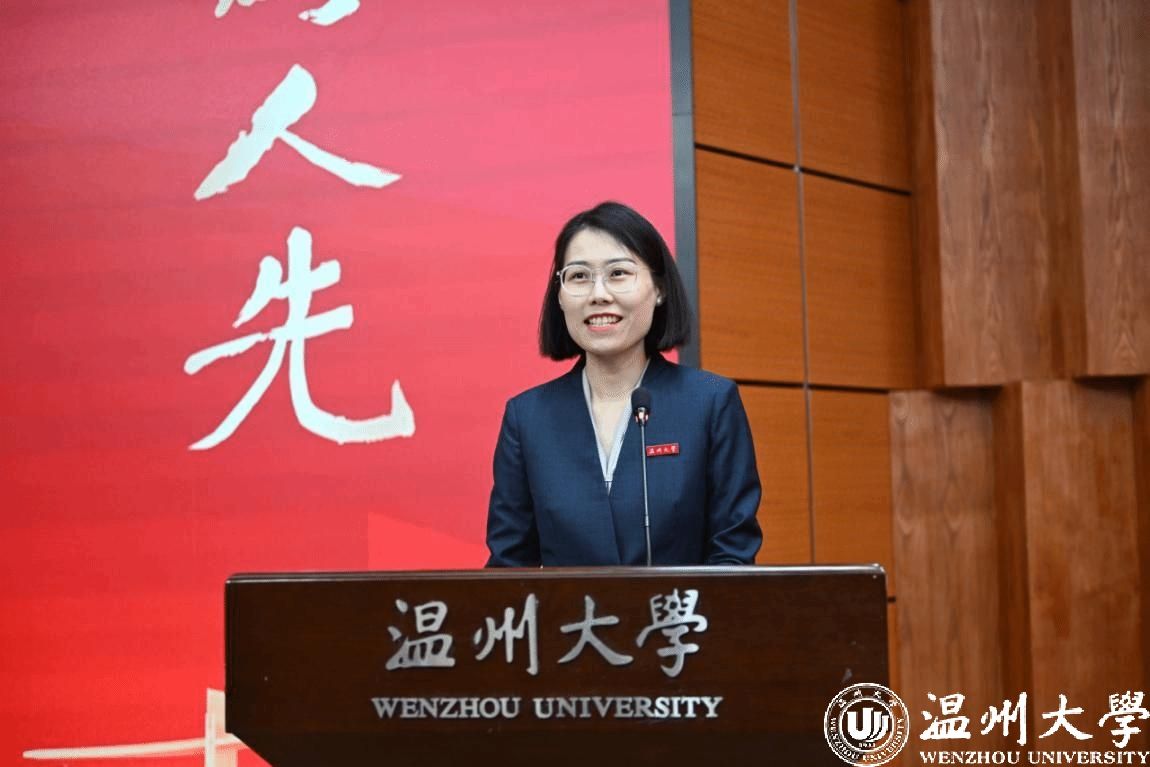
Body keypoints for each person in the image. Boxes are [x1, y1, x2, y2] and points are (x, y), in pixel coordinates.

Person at [485, 201, 762, 567]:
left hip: (682, 607)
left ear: (659, 289)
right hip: (571, 609)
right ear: (560, 296)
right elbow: (508, 569)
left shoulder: (710, 402)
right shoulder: (528, 417)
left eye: (618, 273)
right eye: (579, 277)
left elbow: (733, 556)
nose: (598, 294)